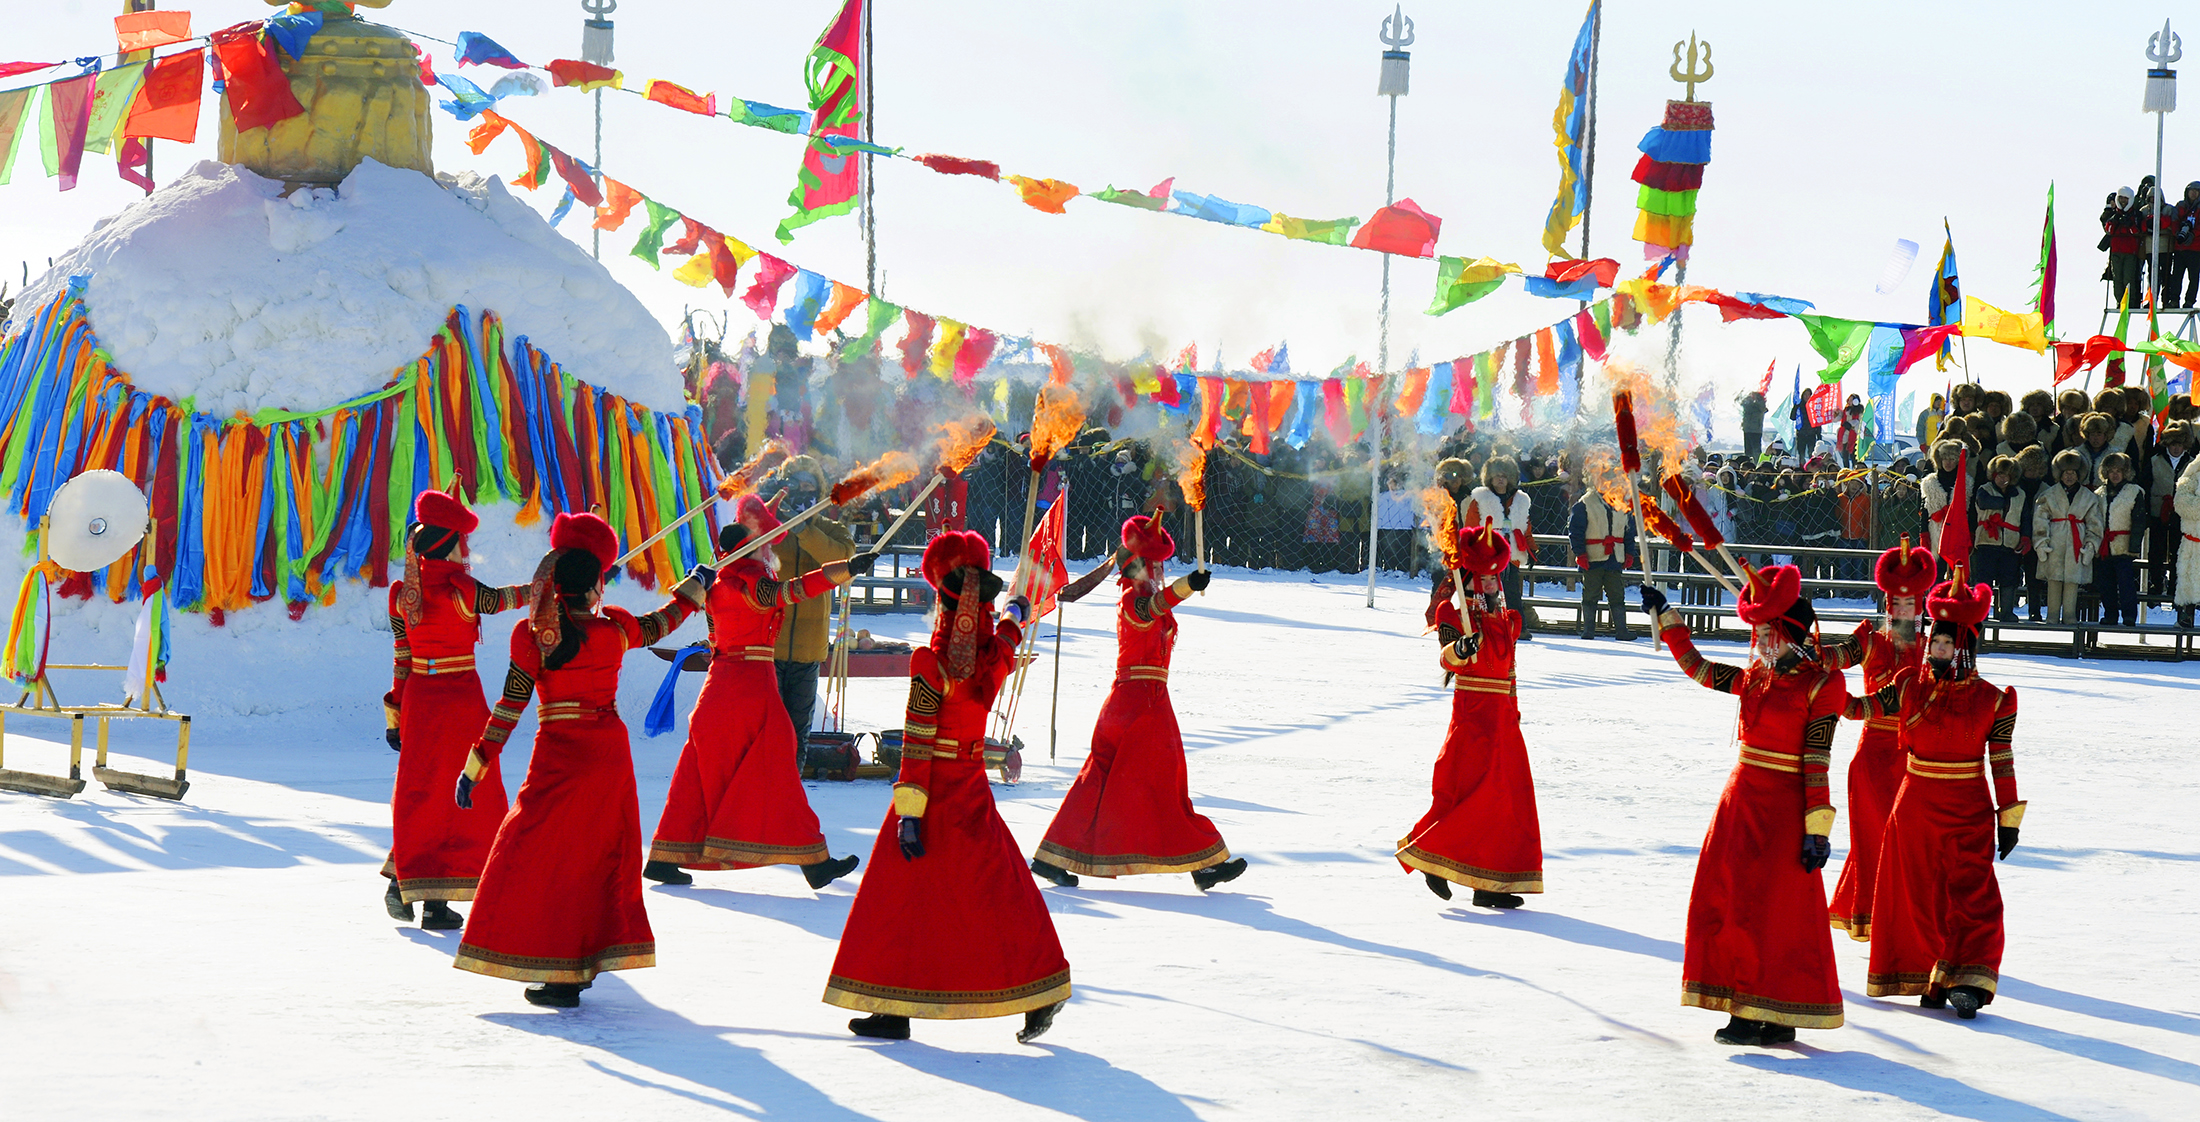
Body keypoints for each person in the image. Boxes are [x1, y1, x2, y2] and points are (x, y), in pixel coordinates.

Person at [451, 513, 711, 1007]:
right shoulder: (615, 629)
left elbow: (509, 708)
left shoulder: (531, 636)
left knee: (534, 853)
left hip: (558, 754)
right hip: (608, 755)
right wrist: (695, 587)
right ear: (594, 589)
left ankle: (557, 967)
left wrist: (476, 765)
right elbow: (663, 623)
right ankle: (582, 963)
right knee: (596, 859)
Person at [825, 532, 1070, 1044]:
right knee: (999, 893)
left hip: (932, 791)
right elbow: (1008, 630)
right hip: (973, 786)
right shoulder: (995, 655)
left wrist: (909, 810)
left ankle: (894, 1004)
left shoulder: (927, 664)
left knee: (900, 898)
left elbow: (916, 743)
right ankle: (1037, 987)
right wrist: (1018, 610)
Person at [1638, 565, 1886, 1046]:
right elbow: (1702, 670)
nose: (1760, 641)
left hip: (1783, 811)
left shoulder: (1823, 686)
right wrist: (1666, 617)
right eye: (1760, 632)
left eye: (1769, 632)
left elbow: (1817, 762)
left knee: (1774, 914)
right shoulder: (1755, 676)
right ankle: (1743, 1004)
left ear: (1791, 634)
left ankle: (1775, 1011)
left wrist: (1818, 829)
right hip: (1740, 805)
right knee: (1731, 905)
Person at [643, 495, 872, 889]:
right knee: (780, 769)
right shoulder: (755, 584)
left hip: (716, 691)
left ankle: (664, 857)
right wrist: (845, 569)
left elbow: (715, 638)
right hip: (752, 690)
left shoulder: (713, 586)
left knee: (696, 774)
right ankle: (814, 861)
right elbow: (796, 590)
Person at [1030, 516, 1244, 891]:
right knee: (1166, 783)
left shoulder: (1139, 596)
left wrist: (1184, 589)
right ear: (1135, 564)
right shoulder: (1133, 599)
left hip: (1138, 702)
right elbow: (1155, 608)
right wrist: (1187, 587)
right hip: (1140, 706)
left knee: (1099, 781)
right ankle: (1202, 861)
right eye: (1153, 563)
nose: (1159, 570)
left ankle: (1052, 857)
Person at [1866, 576, 2023, 1021]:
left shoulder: (1994, 701)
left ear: (1964, 649)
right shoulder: (1908, 687)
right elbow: (1862, 708)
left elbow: (2003, 761)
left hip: (1968, 808)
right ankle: (1933, 976)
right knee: (1921, 898)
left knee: (1973, 895)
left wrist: (2008, 817)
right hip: (1913, 809)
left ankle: (1970, 979)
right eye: (1932, 641)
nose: (1933, 649)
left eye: (1943, 643)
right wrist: (1819, 691)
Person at [380, 488, 530, 929]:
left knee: (421, 793)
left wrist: (395, 714)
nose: (467, 548)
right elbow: (507, 600)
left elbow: (401, 657)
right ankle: (430, 897)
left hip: (421, 703)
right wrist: (554, 584)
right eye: (462, 540)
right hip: (460, 700)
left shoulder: (401, 591)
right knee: (468, 794)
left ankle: (414, 884)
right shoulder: (462, 588)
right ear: (450, 541)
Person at [1397, 526, 1543, 909]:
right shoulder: (1454, 612)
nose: (1494, 583)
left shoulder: (1509, 619)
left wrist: (1514, 711)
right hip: (1472, 717)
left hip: (1502, 721)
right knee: (1468, 798)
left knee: (1507, 803)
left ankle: (1488, 883)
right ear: (1472, 580)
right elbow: (1447, 659)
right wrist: (1461, 647)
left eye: (1497, 577)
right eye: (1486, 577)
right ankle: (1433, 856)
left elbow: (1510, 672)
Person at [1822, 541, 1932, 941]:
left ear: (1920, 606)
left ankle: (1905, 917)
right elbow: (1832, 658)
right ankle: (1872, 917)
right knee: (1872, 841)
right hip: (1872, 755)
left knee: (1908, 844)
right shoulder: (1868, 639)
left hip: (1915, 758)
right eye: (1896, 604)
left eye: (1910, 605)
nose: (1902, 612)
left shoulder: (1934, 646)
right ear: (1887, 604)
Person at [767, 461, 857, 746]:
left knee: (797, 733)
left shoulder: (832, 530)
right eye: (796, 484)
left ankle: (792, 787)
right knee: (768, 727)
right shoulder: (769, 528)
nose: (803, 492)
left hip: (809, 649)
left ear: (819, 492)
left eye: (810, 487)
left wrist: (804, 529)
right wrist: (775, 516)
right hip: (770, 645)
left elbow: (842, 563)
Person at [1466, 454, 1541, 638]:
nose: (1501, 479)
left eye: (1504, 476)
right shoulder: (1480, 499)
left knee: (1512, 592)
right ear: (1489, 477)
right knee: (1490, 592)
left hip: (1512, 552)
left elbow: (1525, 527)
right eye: (1497, 475)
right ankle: (1489, 629)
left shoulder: (1521, 500)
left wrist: (1532, 549)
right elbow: (1471, 527)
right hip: (1488, 553)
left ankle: (1519, 629)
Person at [2032, 449, 2105, 624]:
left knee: (2073, 582)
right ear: (2060, 474)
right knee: (2054, 580)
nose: (2069, 476)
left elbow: (2095, 524)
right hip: (2055, 542)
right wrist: (2041, 543)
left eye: (2073, 473)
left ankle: (2070, 615)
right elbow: (2040, 519)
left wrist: (2091, 545)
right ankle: (2052, 615)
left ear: (2079, 474)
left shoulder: (2089, 497)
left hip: (2076, 543)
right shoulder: (2048, 495)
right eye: (2066, 473)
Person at [1568, 484, 1638, 640]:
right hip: (1593, 557)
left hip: (1615, 557)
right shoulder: (1584, 503)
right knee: (1590, 593)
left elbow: (1629, 531)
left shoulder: (1622, 503)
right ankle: (1588, 630)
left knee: (1617, 594)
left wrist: (1629, 553)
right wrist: (1580, 553)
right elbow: (1575, 531)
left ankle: (1621, 630)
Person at [2095, 453, 2149, 626]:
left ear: (2125, 472)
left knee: (2126, 584)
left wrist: (2134, 546)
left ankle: (2129, 615)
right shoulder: (2099, 493)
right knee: (2106, 584)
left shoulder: (2134, 491)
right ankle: (2110, 614)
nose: (2115, 474)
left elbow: (2139, 521)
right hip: (2104, 546)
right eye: (2111, 471)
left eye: (2119, 470)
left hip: (2124, 545)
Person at [1974, 457, 2029, 620]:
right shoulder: (1984, 489)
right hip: (1987, 541)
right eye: (1999, 475)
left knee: (2010, 578)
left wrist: (2026, 537)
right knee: (1984, 579)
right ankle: (1981, 610)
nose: (2002, 479)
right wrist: (2004, 501)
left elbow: (2025, 517)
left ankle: (2006, 611)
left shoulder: (2020, 494)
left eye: (2006, 476)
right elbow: (1984, 503)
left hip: (2010, 543)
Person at [2153, 421, 2195, 617]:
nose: (2176, 448)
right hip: (2158, 511)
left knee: (2177, 552)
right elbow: (2147, 484)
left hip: (2181, 515)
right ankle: (2156, 582)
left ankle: (2174, 586)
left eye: (2179, 444)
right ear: (2167, 444)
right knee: (2157, 550)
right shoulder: (2155, 460)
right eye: (2172, 444)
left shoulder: (2191, 463)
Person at [1739, 391, 1767, 461]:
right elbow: (1741, 402)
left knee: (1756, 451)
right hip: (1747, 430)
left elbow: (1762, 408)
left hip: (1755, 431)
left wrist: (1758, 399)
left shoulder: (1759, 405)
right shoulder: (1748, 405)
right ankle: (1748, 463)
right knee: (1748, 450)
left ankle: (1757, 464)